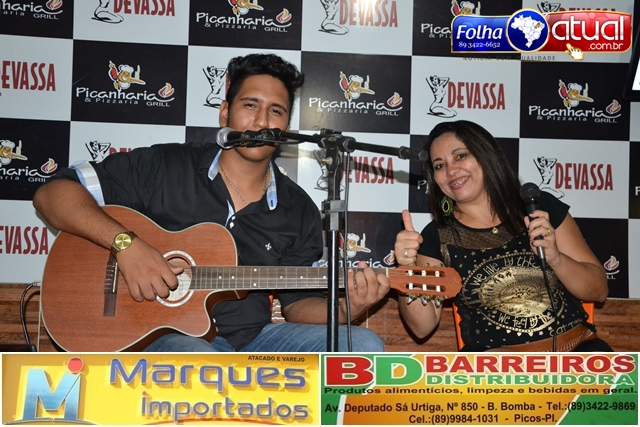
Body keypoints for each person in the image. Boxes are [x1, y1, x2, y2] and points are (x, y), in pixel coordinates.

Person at [33, 53, 390, 352]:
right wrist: (126, 245)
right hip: (164, 337)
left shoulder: (298, 210)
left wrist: (348, 308)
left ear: (285, 127)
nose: (261, 121)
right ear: (225, 113)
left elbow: (296, 307)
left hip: (255, 341)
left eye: (276, 111)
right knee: (197, 358)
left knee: (363, 345)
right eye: (250, 105)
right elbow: (52, 195)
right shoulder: (164, 166)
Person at [394, 120, 612, 352]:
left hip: (576, 352)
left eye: (460, 156)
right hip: (495, 367)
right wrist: (407, 269)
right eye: (439, 165)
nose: (451, 171)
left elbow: (599, 292)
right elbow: (422, 327)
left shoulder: (537, 207)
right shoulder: (437, 236)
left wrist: (556, 258)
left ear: (486, 155)